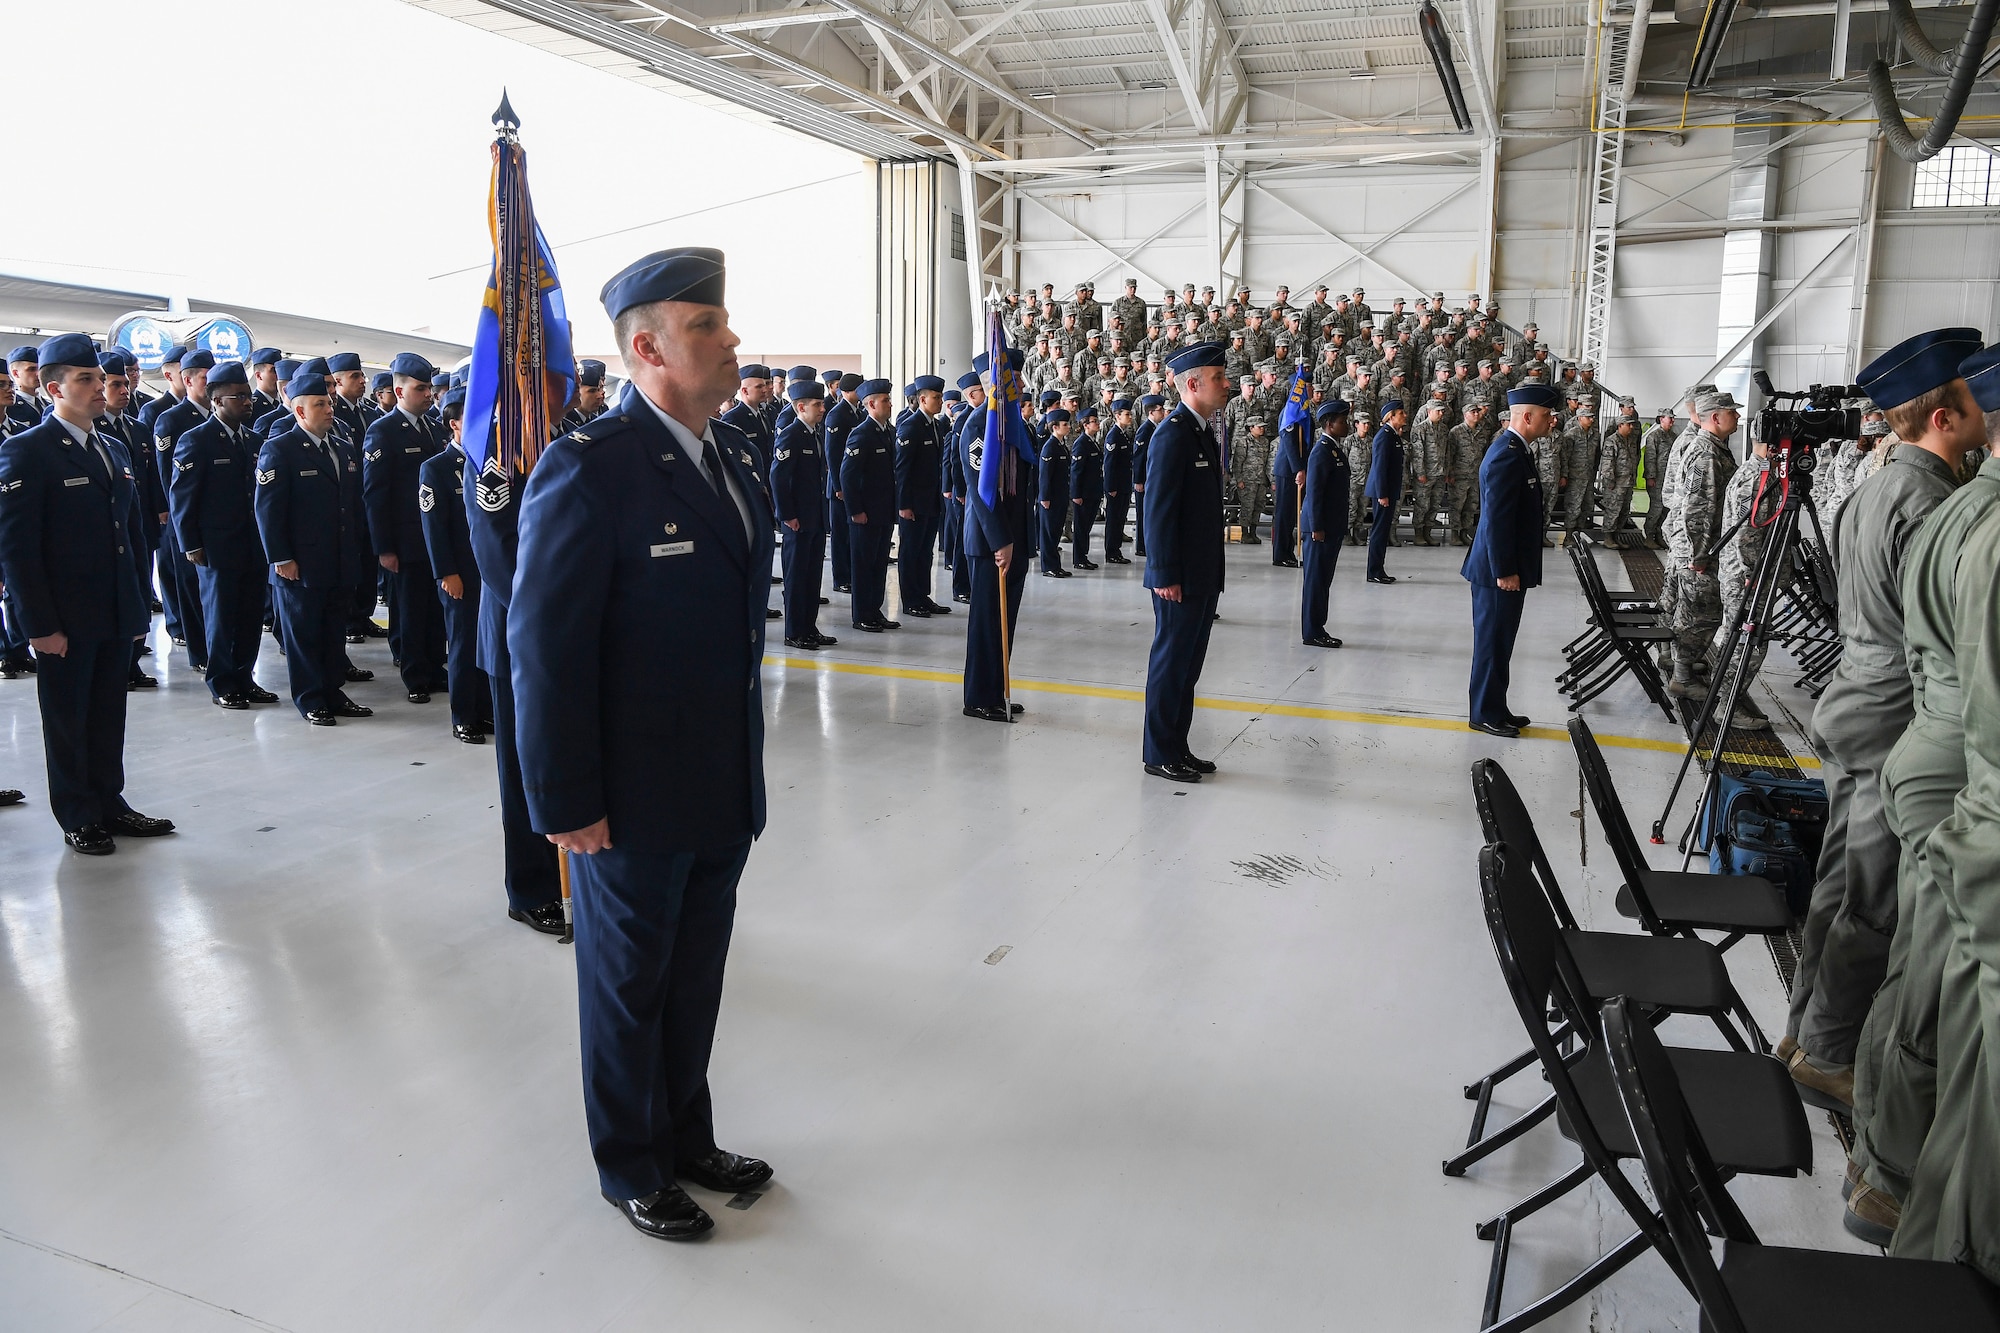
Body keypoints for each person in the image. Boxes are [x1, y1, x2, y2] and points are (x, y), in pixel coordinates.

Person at [509, 247, 777, 1243]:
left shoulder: (733, 455)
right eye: (706, 326)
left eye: (721, 321)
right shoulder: (591, 468)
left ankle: (685, 1135)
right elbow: (542, 645)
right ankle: (631, 1162)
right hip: (624, 794)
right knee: (627, 986)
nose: (730, 340)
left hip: (715, 782)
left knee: (694, 974)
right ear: (645, 347)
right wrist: (564, 798)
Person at [1787, 328, 1985, 1112]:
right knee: (1872, 900)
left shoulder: (1875, 486)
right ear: (1945, 414)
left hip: (1855, 700)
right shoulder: (1933, 502)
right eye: (1972, 398)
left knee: (1839, 886)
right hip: (1892, 716)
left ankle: (1802, 1027)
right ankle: (1828, 1052)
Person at [1847, 346, 2000, 1251]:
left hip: (1914, 737)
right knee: (1927, 983)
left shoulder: (1936, 501)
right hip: (1949, 772)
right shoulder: (1944, 505)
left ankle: (1880, 1153)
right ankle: (1898, 1183)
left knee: (1908, 960)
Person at [0, 333, 174, 854]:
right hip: (64, 616)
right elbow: (17, 550)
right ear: (54, 388)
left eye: (99, 378)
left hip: (114, 607)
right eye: (86, 380)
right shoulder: (26, 452)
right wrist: (38, 626)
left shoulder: (113, 447)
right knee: (67, 717)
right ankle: (77, 812)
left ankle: (110, 802)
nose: (100, 388)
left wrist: (138, 603)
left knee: (106, 714)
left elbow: (132, 534)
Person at [254, 370, 374, 727]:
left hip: (338, 558)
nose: (329, 409)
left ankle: (333, 691)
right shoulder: (279, 449)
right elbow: (269, 510)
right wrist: (281, 557)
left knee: (332, 631)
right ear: (300, 411)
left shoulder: (341, 446)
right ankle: (310, 697)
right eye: (320, 404)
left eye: (330, 402)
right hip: (301, 562)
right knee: (304, 633)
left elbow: (353, 506)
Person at [1141, 343, 1228, 784]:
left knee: (1188, 667)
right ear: (1193, 384)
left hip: (1201, 574)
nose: (1227, 384)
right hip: (1178, 578)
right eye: (1219, 377)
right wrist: (1164, 574)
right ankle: (1158, 751)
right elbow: (1157, 511)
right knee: (1171, 664)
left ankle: (1178, 745)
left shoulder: (1199, 430)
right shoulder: (1172, 433)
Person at [169, 360, 277, 709]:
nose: (248, 402)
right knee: (220, 618)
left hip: (253, 545)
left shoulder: (255, 440)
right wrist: (191, 544)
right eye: (239, 397)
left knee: (248, 617)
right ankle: (222, 683)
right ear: (216, 401)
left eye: (248, 396)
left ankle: (245, 678)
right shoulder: (195, 441)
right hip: (216, 546)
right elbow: (182, 497)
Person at [1462, 384, 1557, 737]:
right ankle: (1484, 713)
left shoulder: (1517, 449)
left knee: (1501, 643)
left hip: (1505, 566)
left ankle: (1496, 707)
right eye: (1546, 415)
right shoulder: (1506, 453)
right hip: (1496, 571)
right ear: (1527, 416)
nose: (1551, 421)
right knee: (1491, 643)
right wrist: (1505, 570)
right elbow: (1497, 520)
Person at [960, 350, 1034, 723]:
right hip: (991, 542)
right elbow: (981, 490)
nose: (1018, 385)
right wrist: (1001, 541)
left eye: (1017, 378)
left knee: (1006, 621)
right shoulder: (979, 425)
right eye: (1011, 379)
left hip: (1013, 538)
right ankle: (978, 696)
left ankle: (997, 689)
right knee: (988, 621)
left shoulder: (1013, 425)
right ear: (992, 385)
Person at [417, 385, 492, 745]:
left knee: (487, 642)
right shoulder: (437, 469)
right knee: (462, 645)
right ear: (454, 424)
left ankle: (486, 709)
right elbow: (435, 529)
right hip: (459, 573)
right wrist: (446, 573)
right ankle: (464, 715)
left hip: (489, 572)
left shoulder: (492, 463)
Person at [1661, 390, 1740, 698]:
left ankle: (1682, 669)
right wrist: (1700, 554)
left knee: (1692, 612)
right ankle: (1682, 677)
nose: (1736, 416)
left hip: (1696, 546)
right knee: (1701, 615)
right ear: (1715, 418)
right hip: (1697, 549)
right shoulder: (1706, 453)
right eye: (1731, 412)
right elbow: (1699, 509)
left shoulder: (1713, 447)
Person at [771, 378, 835, 649]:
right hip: (797, 520)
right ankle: (794, 632)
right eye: (817, 404)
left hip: (815, 518)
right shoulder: (791, 434)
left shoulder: (814, 433)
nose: (822, 408)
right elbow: (778, 477)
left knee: (812, 577)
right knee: (797, 578)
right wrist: (787, 515)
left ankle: (809, 628)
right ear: (800, 407)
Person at [840, 379, 899, 630]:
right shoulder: (861, 434)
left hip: (883, 511)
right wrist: (855, 510)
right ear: (871, 404)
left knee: (878, 565)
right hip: (866, 513)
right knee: (864, 566)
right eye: (885, 400)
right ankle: (862, 615)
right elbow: (848, 475)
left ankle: (875, 611)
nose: (890, 404)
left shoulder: (888, 431)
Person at [893, 375, 951, 618]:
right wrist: (904, 504)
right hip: (914, 504)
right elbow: (902, 469)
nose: (940, 401)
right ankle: (910, 600)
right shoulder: (910, 425)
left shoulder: (935, 425)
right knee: (911, 552)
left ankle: (922, 595)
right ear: (923, 399)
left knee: (925, 551)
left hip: (930, 501)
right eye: (936, 398)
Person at [1299, 399, 1352, 648]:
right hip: (1320, 529)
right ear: (1330, 425)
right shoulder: (1322, 451)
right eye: (1342, 421)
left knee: (1323, 580)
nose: (1347, 425)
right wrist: (1317, 527)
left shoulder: (1333, 449)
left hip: (1331, 527)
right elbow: (1315, 492)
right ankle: (1312, 632)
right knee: (1316, 581)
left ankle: (1318, 626)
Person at [1364, 399, 1408, 583]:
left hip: (1388, 490)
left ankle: (1378, 569)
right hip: (1383, 492)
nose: (1405, 416)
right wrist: (1382, 494)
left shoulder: (1392, 435)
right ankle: (1374, 571)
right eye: (1401, 413)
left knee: (1382, 531)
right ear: (1391, 416)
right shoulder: (1384, 436)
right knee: (1379, 532)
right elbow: (1380, 467)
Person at [1069, 404, 1105, 570]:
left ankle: (1083, 556)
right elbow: (1076, 472)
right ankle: (1079, 558)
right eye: (1094, 421)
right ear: (1085, 425)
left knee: (1087, 526)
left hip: (1093, 492)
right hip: (1083, 493)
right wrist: (1076, 494)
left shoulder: (1092, 442)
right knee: (1082, 527)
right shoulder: (1081, 443)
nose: (1097, 424)